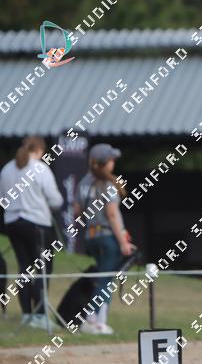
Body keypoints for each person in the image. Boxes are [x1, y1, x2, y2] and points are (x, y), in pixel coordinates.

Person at [0, 136, 63, 328]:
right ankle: (40, 315)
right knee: (43, 268)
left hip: (12, 223)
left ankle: (27, 314)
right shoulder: (40, 168)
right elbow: (55, 200)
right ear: (40, 150)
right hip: (37, 224)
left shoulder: (7, 169)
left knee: (24, 268)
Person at [74, 143, 134, 334]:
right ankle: (95, 320)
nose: (113, 162)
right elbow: (112, 215)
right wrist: (123, 242)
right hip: (108, 237)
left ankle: (96, 320)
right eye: (111, 159)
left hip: (91, 237)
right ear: (104, 162)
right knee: (106, 279)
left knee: (103, 277)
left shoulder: (83, 183)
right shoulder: (108, 185)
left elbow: (77, 212)